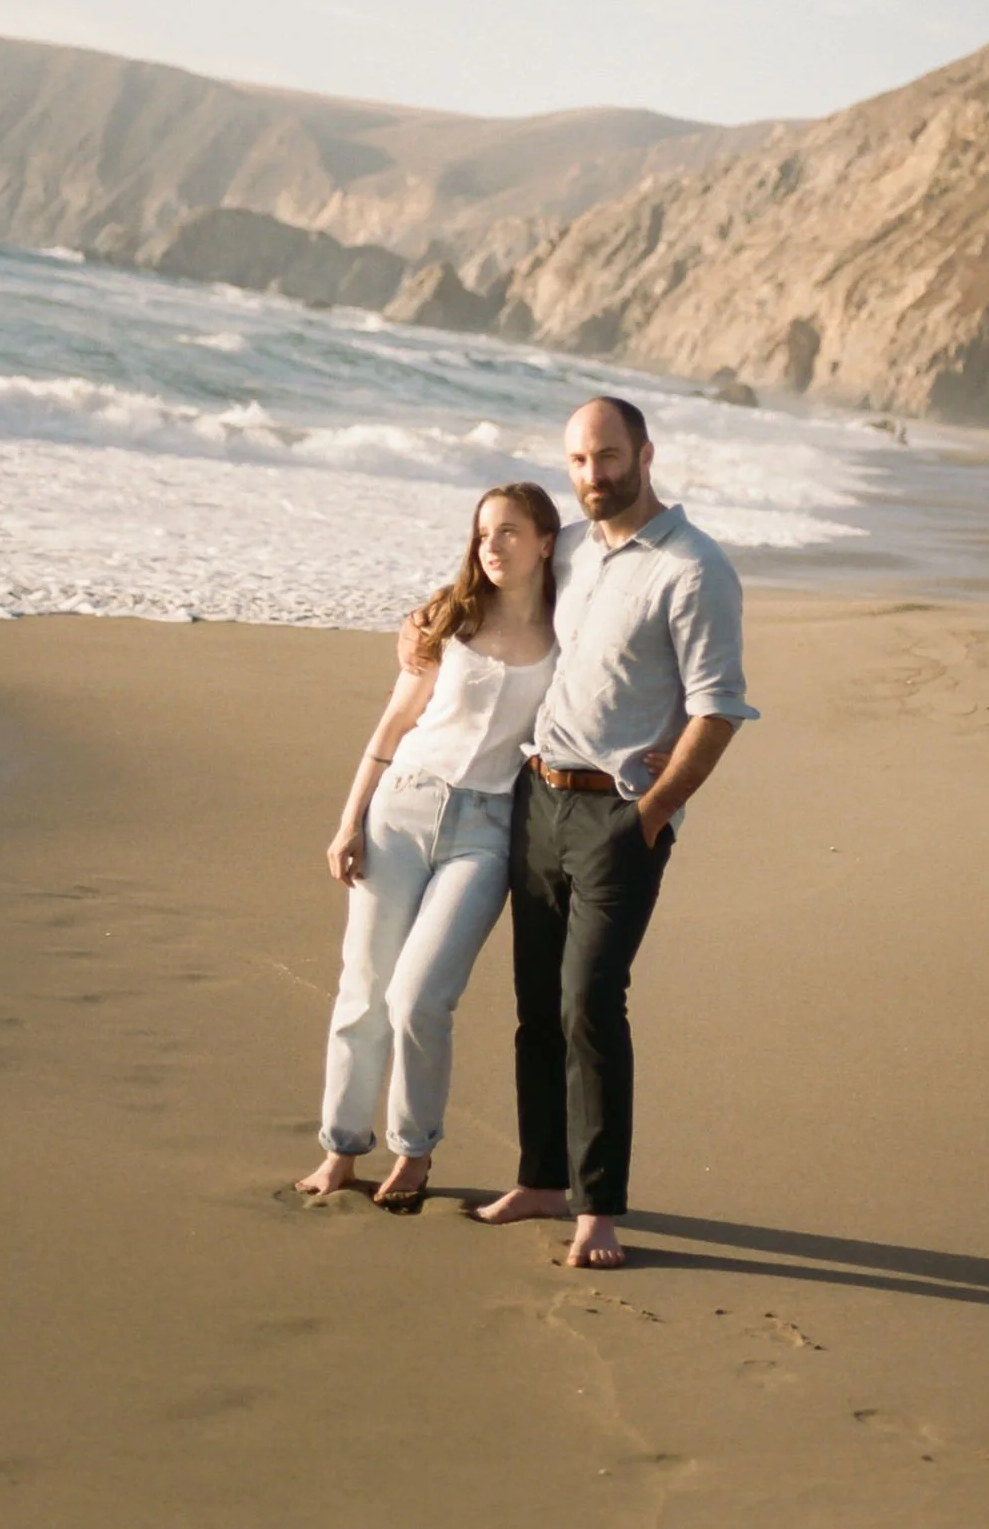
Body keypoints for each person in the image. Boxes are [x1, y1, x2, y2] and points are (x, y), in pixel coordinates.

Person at [465, 396, 754, 1268]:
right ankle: (542, 1177)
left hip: (618, 815)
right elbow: (510, 613)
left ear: (645, 453)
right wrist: (428, 631)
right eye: (580, 461)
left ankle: (598, 1207)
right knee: (535, 1008)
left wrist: (650, 817)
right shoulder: (584, 556)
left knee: (591, 1002)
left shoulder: (695, 569)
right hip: (539, 796)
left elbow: (719, 709)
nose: (593, 474)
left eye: (608, 456)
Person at [296, 483, 561, 1213]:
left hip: (487, 829)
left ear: (546, 540)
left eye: (509, 531)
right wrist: (349, 820)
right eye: (483, 534)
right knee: (364, 987)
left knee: (419, 996)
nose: (493, 545)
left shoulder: (569, 635)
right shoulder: (450, 619)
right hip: (401, 806)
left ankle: (414, 1151)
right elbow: (391, 724)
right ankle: (341, 1148)